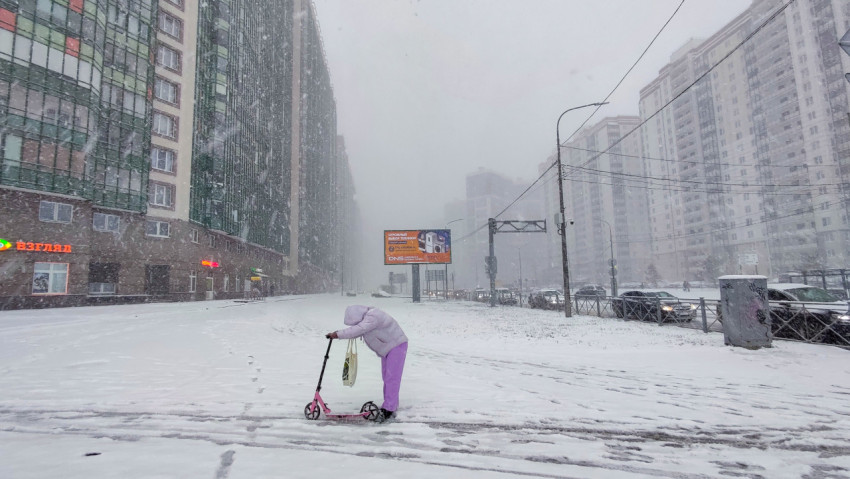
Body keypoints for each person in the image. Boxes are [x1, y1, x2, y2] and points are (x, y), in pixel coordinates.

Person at [326, 305, 408, 422]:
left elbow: (359, 329)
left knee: (392, 378)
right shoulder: (369, 319)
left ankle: (389, 409)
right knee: (387, 377)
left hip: (396, 346)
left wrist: (338, 334)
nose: (355, 325)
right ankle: (390, 405)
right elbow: (358, 330)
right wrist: (337, 335)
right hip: (389, 348)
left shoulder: (373, 316)